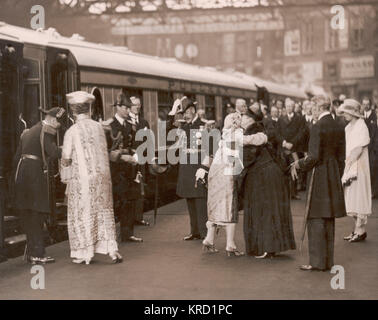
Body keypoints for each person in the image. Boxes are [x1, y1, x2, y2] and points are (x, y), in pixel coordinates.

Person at [61, 91, 122, 264]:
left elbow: (66, 158)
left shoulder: (71, 131)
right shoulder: (99, 128)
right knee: (103, 211)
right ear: (90, 108)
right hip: (103, 179)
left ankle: (85, 253)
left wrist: (65, 179)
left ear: (73, 110)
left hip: (82, 182)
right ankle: (111, 249)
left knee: (82, 213)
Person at [291, 95, 346, 271]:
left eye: (312, 107)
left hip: (319, 174)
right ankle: (327, 261)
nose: (311, 110)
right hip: (332, 173)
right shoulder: (338, 125)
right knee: (328, 218)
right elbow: (341, 155)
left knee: (315, 217)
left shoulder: (317, 126)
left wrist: (299, 164)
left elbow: (313, 156)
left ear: (317, 107)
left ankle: (316, 262)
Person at [201, 112, 268, 256]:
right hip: (227, 173)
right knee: (230, 207)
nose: (241, 120)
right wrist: (264, 136)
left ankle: (209, 239)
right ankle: (230, 245)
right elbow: (251, 140)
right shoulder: (236, 133)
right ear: (234, 122)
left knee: (215, 206)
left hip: (215, 173)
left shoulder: (224, 133)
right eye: (238, 119)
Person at [239, 109, 296, 259]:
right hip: (267, 173)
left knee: (264, 210)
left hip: (263, 175)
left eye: (242, 117)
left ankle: (267, 247)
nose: (240, 119)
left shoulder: (253, 132)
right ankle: (268, 247)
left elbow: (248, 157)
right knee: (269, 209)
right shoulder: (258, 130)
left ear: (251, 119)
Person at [13, 107, 64, 264]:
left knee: (28, 214)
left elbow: (16, 157)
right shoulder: (46, 130)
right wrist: (68, 149)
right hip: (34, 175)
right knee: (37, 215)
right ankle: (38, 254)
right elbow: (54, 152)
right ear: (52, 119)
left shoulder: (29, 131)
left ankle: (31, 253)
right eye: (58, 123)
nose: (58, 126)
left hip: (21, 174)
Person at [167, 98, 210, 240]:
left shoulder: (205, 125)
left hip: (198, 168)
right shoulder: (184, 128)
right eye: (182, 113)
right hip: (186, 169)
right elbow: (169, 136)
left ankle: (205, 233)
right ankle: (195, 231)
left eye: (185, 113)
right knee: (190, 201)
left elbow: (211, 149)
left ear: (192, 110)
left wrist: (204, 168)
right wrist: (172, 113)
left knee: (200, 202)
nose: (183, 116)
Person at [105, 93, 143, 243]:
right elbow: (107, 151)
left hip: (129, 169)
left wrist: (136, 156)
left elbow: (133, 145)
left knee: (129, 200)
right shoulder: (109, 126)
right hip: (115, 170)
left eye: (129, 108)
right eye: (126, 108)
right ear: (118, 107)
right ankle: (111, 235)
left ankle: (128, 233)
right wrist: (122, 157)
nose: (128, 110)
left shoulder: (130, 126)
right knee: (116, 202)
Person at [339, 99, 372, 242]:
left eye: (346, 112)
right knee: (351, 196)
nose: (344, 115)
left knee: (359, 196)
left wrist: (349, 162)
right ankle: (356, 229)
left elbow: (358, 148)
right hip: (350, 164)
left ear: (353, 113)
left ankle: (361, 230)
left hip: (359, 166)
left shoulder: (361, 126)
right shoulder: (348, 127)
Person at [276, 98, 307, 200]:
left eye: (291, 106)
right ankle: (284, 193)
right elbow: (277, 133)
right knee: (283, 169)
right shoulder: (281, 119)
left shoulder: (300, 119)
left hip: (294, 148)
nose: (289, 108)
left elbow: (301, 133)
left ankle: (293, 192)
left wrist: (292, 143)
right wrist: (284, 142)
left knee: (294, 169)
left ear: (294, 107)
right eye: (287, 106)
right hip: (284, 148)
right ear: (285, 107)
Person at [128, 96, 151, 227]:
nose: (137, 107)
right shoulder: (126, 122)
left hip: (141, 160)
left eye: (139, 105)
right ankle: (131, 218)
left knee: (141, 188)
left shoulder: (144, 123)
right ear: (129, 107)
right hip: (130, 161)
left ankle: (139, 217)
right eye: (134, 105)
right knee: (131, 189)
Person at [362, 97, 377, 198]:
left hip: (372, 148)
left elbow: (374, 134)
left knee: (372, 169)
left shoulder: (374, 116)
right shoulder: (361, 115)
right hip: (363, 147)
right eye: (364, 104)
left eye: (367, 104)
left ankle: (373, 191)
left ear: (370, 105)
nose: (366, 106)